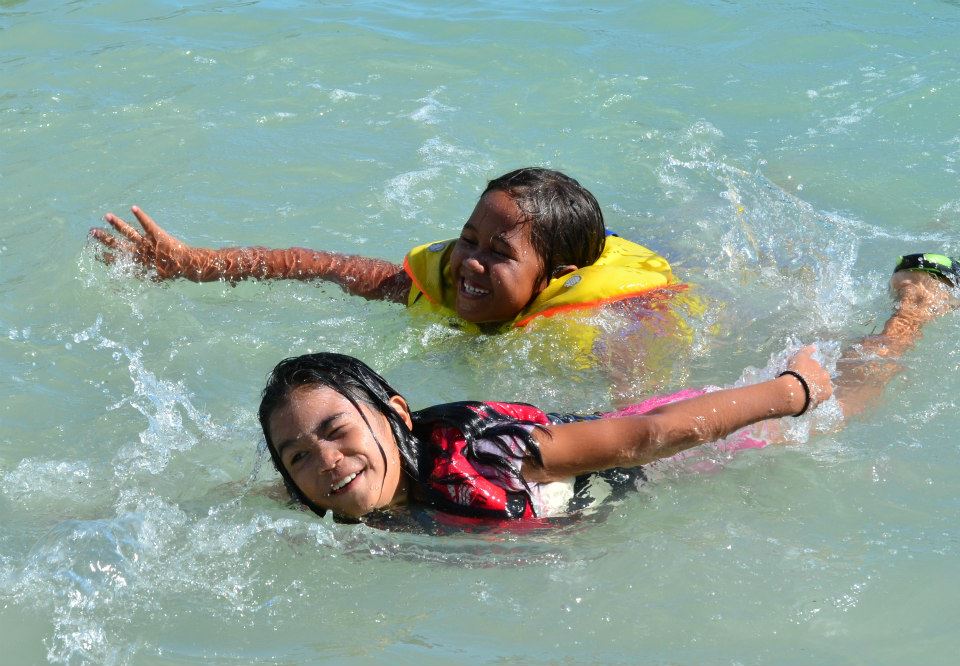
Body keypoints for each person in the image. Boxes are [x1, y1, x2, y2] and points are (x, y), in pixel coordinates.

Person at [256, 255, 959, 524]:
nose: (325, 463)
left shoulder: (488, 452)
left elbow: (646, 437)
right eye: (297, 457)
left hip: (665, 451)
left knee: (844, 405)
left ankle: (915, 307)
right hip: (606, 439)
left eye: (335, 432)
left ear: (395, 415)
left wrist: (790, 392)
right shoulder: (331, 499)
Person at [89, 168, 683, 334]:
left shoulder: (604, 325)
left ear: (556, 278)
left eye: (498, 253)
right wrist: (196, 266)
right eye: (467, 239)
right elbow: (318, 265)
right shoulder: (432, 286)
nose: (470, 262)